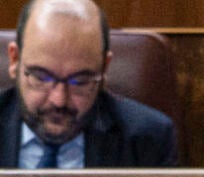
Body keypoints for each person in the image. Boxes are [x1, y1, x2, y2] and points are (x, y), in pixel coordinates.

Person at [2, 0, 176, 167]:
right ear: (14, 60)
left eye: (80, 81)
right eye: (41, 77)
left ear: (104, 68)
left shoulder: (148, 140)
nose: (59, 100)